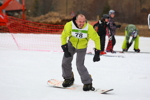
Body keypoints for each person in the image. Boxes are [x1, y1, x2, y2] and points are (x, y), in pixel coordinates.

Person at [61, 14, 101, 91]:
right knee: (65, 62)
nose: (82, 23)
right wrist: (65, 48)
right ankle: (68, 78)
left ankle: (87, 82)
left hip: (82, 47)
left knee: (79, 65)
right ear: (76, 21)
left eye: (83, 21)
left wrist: (97, 52)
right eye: (80, 21)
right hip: (71, 44)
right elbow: (63, 36)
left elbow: (96, 38)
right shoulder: (69, 25)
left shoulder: (88, 27)